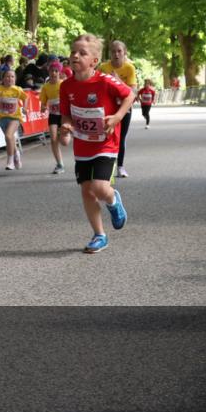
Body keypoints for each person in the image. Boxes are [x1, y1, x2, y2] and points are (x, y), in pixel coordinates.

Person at [57, 34, 134, 254]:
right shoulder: (66, 87)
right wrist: (66, 128)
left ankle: (113, 200)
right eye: (73, 51)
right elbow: (66, 115)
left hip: (106, 143)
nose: (75, 55)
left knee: (99, 187)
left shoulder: (105, 81)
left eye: (82, 53)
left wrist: (118, 117)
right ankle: (99, 235)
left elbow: (129, 95)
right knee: (86, 191)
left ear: (94, 60)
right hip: (82, 146)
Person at [97, 40, 138, 178]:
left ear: (124, 53)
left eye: (119, 51)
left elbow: (132, 92)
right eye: (113, 51)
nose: (116, 54)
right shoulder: (103, 67)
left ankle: (120, 166)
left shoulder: (129, 68)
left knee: (120, 138)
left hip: (124, 107)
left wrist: (118, 81)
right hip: (108, 107)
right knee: (105, 137)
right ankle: (105, 167)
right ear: (110, 53)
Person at [0, 69, 29, 171]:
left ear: (15, 79)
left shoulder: (17, 89)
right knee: (9, 139)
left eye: (12, 77)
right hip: (2, 118)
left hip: (15, 117)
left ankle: (10, 161)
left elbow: (26, 98)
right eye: (7, 76)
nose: (10, 79)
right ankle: (16, 154)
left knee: (8, 136)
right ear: (3, 79)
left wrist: (25, 108)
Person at [40, 61, 65, 174]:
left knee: (64, 142)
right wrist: (43, 107)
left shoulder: (63, 84)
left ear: (59, 72)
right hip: (53, 115)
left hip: (64, 116)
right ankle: (59, 164)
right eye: (51, 71)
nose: (53, 73)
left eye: (56, 71)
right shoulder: (45, 87)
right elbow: (43, 102)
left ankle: (64, 134)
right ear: (48, 72)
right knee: (53, 138)